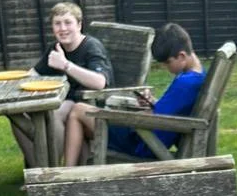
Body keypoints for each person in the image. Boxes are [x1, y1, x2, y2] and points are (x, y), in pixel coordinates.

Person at [63, 21, 205, 166]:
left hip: (144, 143)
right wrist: (152, 103)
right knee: (85, 126)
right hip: (148, 136)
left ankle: (67, 173)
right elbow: (168, 110)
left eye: (167, 62)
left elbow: (158, 118)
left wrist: (133, 116)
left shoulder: (186, 84)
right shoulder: (197, 76)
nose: (165, 67)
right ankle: (81, 176)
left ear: (181, 56)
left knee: (78, 110)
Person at [11, 2, 112, 168]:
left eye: (68, 22)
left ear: (79, 24)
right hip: (68, 102)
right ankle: (38, 169)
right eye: (57, 23)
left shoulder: (91, 47)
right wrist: (10, 80)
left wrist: (66, 65)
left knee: (54, 113)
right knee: (18, 116)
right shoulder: (56, 48)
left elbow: (100, 82)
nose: (62, 28)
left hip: (92, 107)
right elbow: (33, 74)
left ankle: (53, 169)